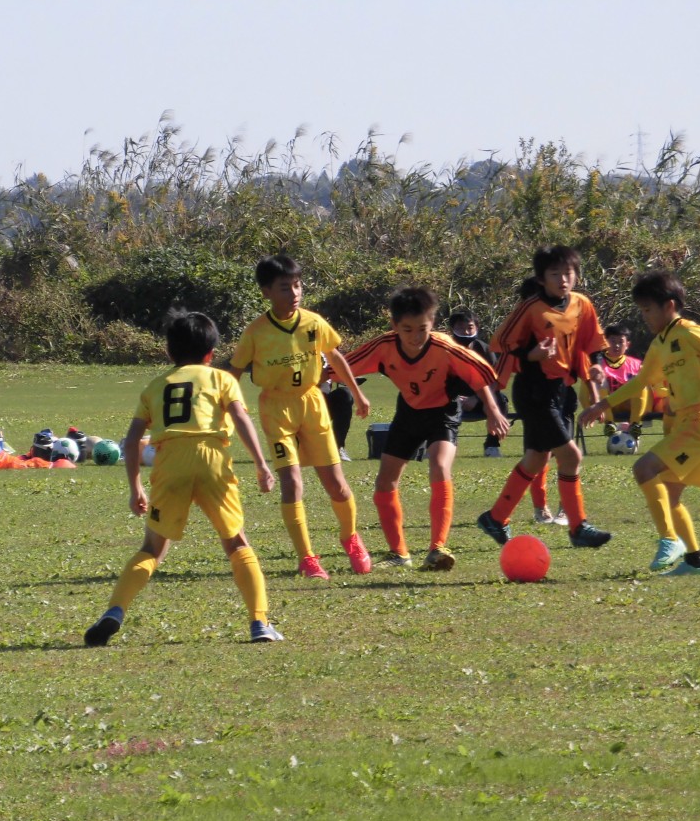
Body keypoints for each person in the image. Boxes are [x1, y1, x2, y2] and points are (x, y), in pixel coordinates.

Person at [83, 311, 282, 646]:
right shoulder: (222, 379)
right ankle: (259, 622)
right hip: (211, 459)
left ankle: (114, 611)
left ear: (168, 351)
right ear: (211, 353)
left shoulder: (156, 386)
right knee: (236, 543)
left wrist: (135, 487)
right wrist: (262, 464)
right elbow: (240, 419)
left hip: (170, 462)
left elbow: (131, 441)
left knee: (152, 547)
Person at [580, 271, 700, 576]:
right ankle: (695, 562)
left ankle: (670, 539)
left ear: (669, 306)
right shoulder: (659, 344)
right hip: (685, 422)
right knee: (669, 494)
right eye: (642, 311)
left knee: (644, 469)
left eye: (648, 310)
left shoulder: (690, 333)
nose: (645, 317)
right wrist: (602, 404)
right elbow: (641, 381)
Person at [343, 286, 510, 570]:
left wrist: (493, 411)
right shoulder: (384, 346)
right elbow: (342, 367)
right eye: (407, 330)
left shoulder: (444, 347)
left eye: (423, 329)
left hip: (443, 413)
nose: (416, 337)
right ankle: (399, 554)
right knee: (384, 482)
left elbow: (479, 375)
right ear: (394, 325)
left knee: (440, 465)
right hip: (408, 414)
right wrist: (329, 382)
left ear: (432, 322)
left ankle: (438, 548)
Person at [230, 254, 373, 579]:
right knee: (291, 483)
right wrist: (227, 405)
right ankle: (307, 558)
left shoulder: (313, 322)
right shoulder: (255, 332)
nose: (294, 293)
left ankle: (351, 538)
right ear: (266, 292)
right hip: (276, 408)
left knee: (336, 484)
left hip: (312, 404)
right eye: (285, 287)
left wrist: (357, 392)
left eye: (297, 285)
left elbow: (334, 355)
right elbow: (234, 373)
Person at [478, 246, 612, 549]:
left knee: (536, 459)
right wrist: (531, 354)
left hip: (561, 389)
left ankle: (495, 518)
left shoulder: (582, 304)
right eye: (555, 274)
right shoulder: (531, 308)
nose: (563, 279)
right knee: (571, 456)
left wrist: (596, 366)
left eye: (568, 273)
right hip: (534, 390)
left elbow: (594, 341)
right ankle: (578, 526)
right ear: (541, 279)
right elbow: (501, 341)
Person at [448, 308, 511, 458]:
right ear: (452, 329)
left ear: (477, 328)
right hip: (449, 399)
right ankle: (443, 445)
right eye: (460, 328)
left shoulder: (485, 350)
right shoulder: (444, 350)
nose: (466, 332)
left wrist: (476, 398)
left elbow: (494, 380)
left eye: (470, 327)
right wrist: (455, 398)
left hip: (479, 400)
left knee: (500, 400)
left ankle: (492, 445)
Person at [579, 323, 649, 442]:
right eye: (612, 341)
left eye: (620, 342)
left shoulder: (635, 365)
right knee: (600, 383)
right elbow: (584, 392)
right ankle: (609, 424)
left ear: (627, 345)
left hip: (628, 406)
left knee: (640, 384)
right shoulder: (597, 365)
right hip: (604, 408)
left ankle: (635, 425)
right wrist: (589, 409)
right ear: (604, 343)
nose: (616, 345)